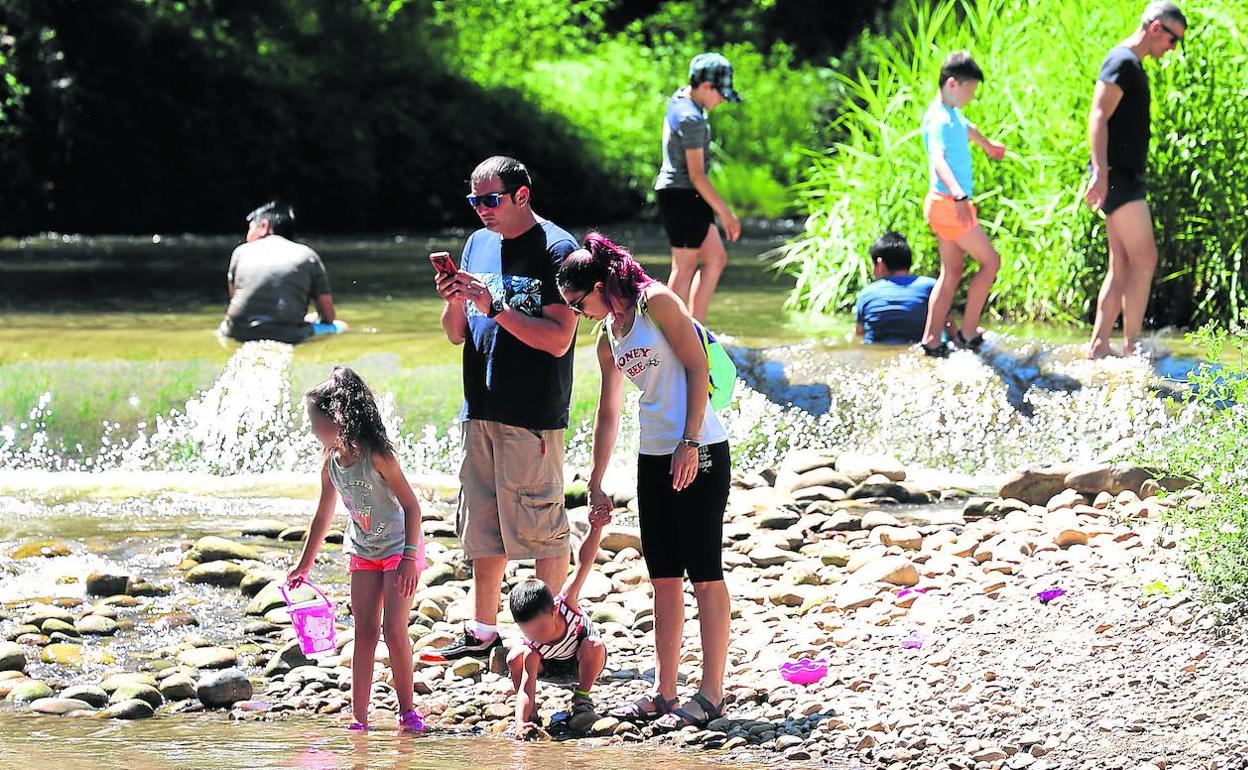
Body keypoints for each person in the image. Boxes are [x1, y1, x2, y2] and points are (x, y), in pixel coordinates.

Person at [556, 232, 731, 731]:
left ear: (599, 286)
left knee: (704, 572)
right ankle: (664, 690)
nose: (577, 314)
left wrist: (690, 441)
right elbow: (608, 413)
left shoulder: (656, 301)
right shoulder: (608, 336)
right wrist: (596, 479)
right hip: (653, 456)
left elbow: (697, 366)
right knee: (663, 577)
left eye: (578, 303)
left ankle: (712, 694)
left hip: (699, 448)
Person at [428, 156, 579, 663]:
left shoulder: (557, 249)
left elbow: (559, 339)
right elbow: (456, 334)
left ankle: (553, 639)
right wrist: (454, 298)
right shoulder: (477, 242)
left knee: (543, 530)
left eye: (491, 200)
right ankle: (483, 630)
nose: (482, 210)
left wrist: (495, 307)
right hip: (480, 407)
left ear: (522, 195)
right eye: (475, 201)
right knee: (482, 527)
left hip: (531, 413)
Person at [287, 366, 427, 733]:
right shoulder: (330, 463)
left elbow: (412, 507)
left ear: (336, 419)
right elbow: (322, 517)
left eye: (315, 422)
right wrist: (304, 565)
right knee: (364, 633)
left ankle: (407, 711)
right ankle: (359, 718)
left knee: (393, 630)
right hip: (363, 550)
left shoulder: (377, 455)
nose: (312, 430)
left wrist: (410, 558)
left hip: (399, 548)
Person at [1085, 1, 1187, 359]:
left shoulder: (1131, 64)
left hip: (1120, 176)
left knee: (1123, 264)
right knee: (1145, 258)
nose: (1172, 49)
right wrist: (1100, 172)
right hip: (1118, 178)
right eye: (1173, 40)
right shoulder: (1123, 61)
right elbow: (1098, 116)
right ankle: (1132, 350)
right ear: (1156, 28)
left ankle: (1100, 345)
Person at [918, 52, 1007, 357]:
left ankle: (932, 340)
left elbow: (967, 128)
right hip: (949, 204)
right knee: (991, 262)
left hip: (942, 205)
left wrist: (988, 146)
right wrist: (958, 194)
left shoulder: (949, 113)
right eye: (970, 91)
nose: (971, 97)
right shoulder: (939, 120)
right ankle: (968, 333)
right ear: (953, 84)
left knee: (952, 271)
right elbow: (938, 159)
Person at [655, 52, 744, 323]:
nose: (722, 100)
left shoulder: (681, 98)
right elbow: (697, 175)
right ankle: (665, 332)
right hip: (680, 195)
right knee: (684, 268)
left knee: (715, 257)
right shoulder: (691, 119)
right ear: (705, 86)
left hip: (688, 195)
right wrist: (726, 213)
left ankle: (696, 329)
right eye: (721, 94)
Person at [507, 508, 610, 739]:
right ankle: (531, 714)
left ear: (554, 610)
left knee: (593, 644)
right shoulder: (534, 646)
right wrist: (520, 722)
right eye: (530, 633)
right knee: (515, 657)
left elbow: (583, 563)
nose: (539, 637)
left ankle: (582, 697)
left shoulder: (566, 604)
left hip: (582, 662)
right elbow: (526, 688)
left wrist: (596, 528)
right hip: (550, 668)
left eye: (542, 628)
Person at [220, 201, 346, 344]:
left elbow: (238, 301)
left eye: (250, 228)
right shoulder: (307, 255)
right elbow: (328, 317)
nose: (247, 236)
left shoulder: (240, 252)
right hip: (289, 335)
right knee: (340, 326)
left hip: (237, 332)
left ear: (264, 226)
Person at [855, 232, 937, 345]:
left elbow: (860, 332)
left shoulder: (866, 294)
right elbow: (949, 327)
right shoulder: (931, 287)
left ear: (880, 264)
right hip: (917, 349)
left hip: (877, 351)